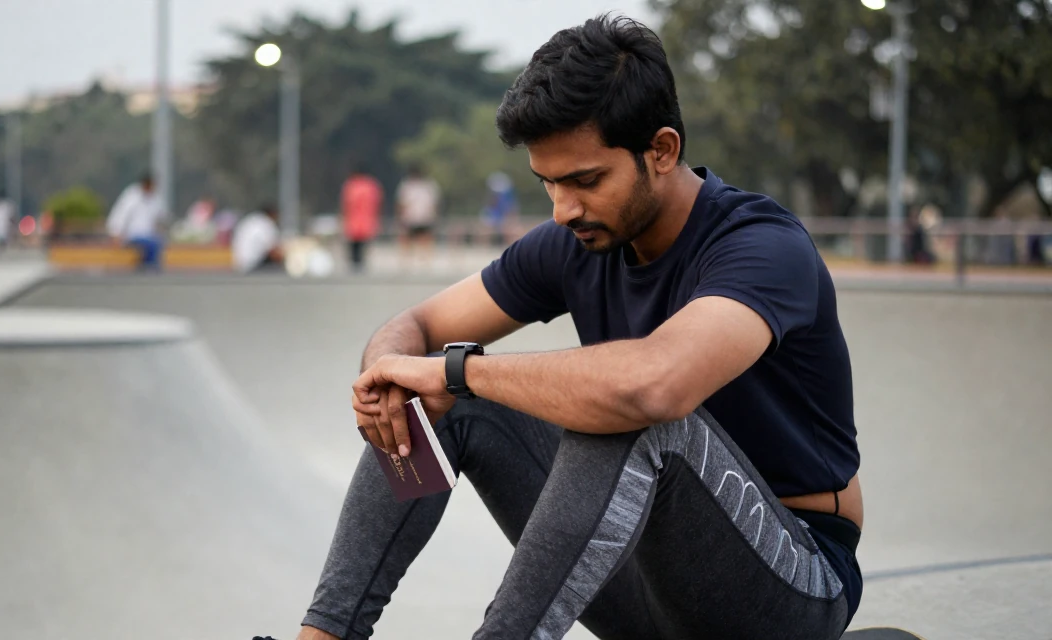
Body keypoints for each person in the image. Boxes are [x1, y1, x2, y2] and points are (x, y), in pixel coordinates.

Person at [293, 16, 862, 640]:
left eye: (586, 181)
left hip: (791, 581)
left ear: (662, 151)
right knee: (446, 402)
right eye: (548, 184)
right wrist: (388, 378)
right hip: (634, 574)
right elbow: (419, 325)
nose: (564, 209)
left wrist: (457, 372)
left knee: (623, 410)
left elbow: (654, 387)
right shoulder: (577, 239)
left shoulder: (762, 246)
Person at [106, 173, 167, 271]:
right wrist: (116, 234)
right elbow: (121, 215)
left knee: (157, 242)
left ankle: (147, 266)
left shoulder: (155, 198)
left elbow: (161, 217)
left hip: (149, 235)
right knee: (153, 244)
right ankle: (149, 267)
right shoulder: (132, 196)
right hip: (132, 235)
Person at [395, 164, 441, 267]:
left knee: (420, 240)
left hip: (418, 217)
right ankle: (418, 261)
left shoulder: (408, 185)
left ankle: (417, 261)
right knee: (416, 240)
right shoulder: (427, 185)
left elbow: (401, 204)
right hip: (418, 217)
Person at [340, 164, 383, 273]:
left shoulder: (351, 185)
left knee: (354, 246)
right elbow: (377, 204)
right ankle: (360, 264)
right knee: (363, 245)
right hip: (367, 220)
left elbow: (345, 204)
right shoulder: (371, 186)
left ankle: (355, 265)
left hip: (353, 221)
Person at [232, 204, 285, 274]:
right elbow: (274, 252)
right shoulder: (265, 223)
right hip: (254, 265)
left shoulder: (251, 220)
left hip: (240, 263)